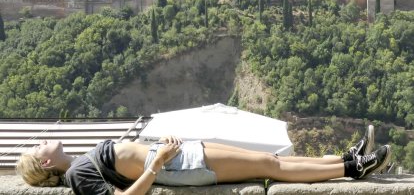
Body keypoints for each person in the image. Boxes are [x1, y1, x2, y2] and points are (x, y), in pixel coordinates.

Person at [16, 124, 391, 195]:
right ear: (45, 164)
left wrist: (156, 148)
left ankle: (345, 159)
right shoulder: (79, 175)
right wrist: (157, 162)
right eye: (37, 148)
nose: (41, 142)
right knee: (270, 167)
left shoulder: (79, 165)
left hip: (179, 158)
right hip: (180, 167)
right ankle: (351, 169)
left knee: (268, 159)